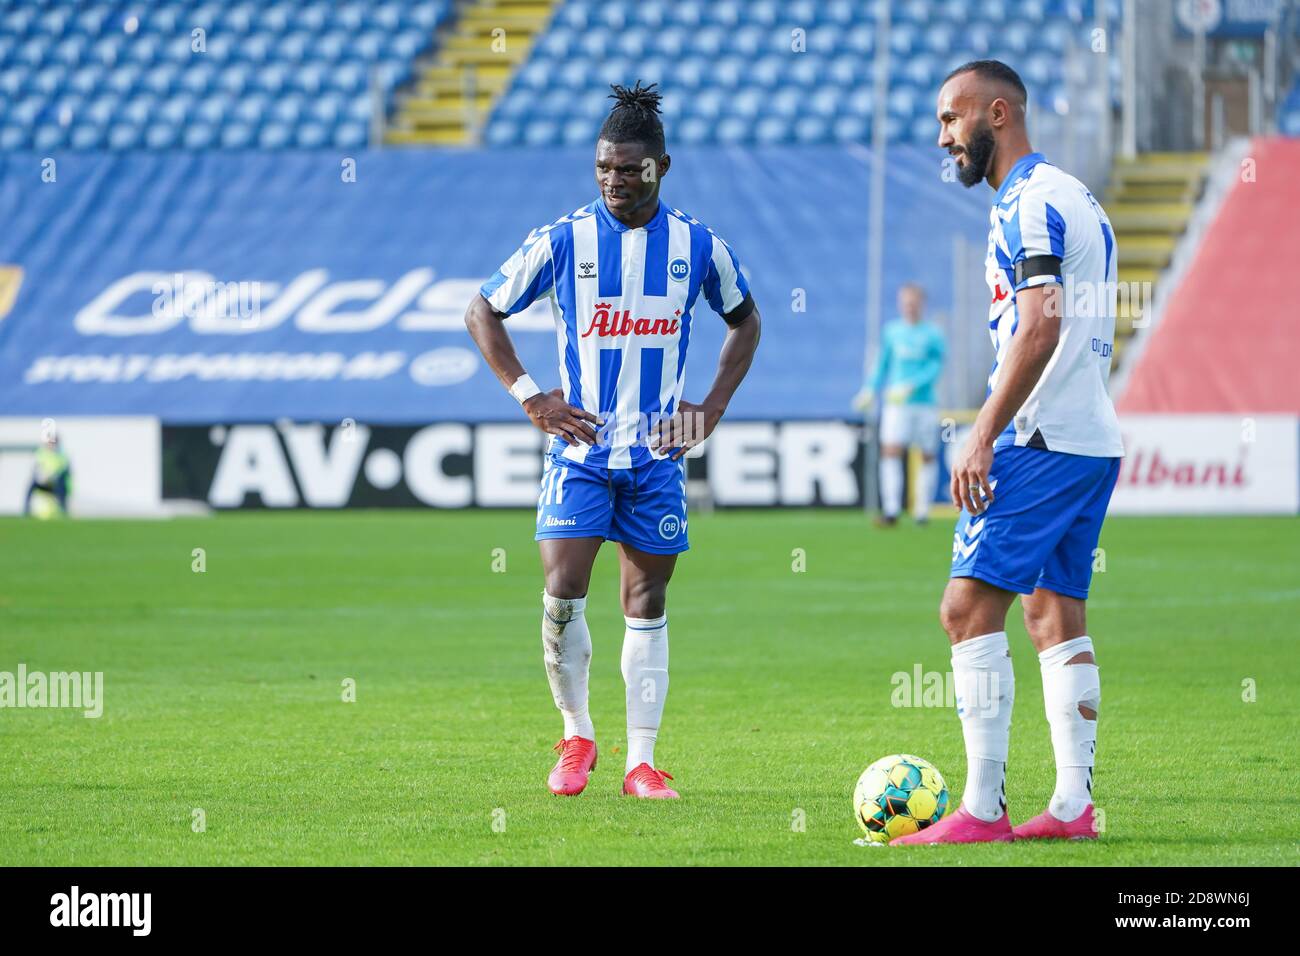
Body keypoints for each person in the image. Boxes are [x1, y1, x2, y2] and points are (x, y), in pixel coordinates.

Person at [463, 82, 761, 800]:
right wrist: (531, 395)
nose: (615, 181)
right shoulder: (565, 239)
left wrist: (712, 406)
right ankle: (577, 736)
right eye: (604, 168)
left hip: (656, 457)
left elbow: (745, 322)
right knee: (562, 593)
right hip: (581, 456)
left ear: (662, 166)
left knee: (646, 602)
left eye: (630, 170)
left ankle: (643, 762)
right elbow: (482, 309)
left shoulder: (698, 245)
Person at [893, 60, 1124, 845]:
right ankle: (1071, 808)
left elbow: (1041, 325)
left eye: (951, 119)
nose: (942, 137)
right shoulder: (1077, 197)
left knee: (965, 611)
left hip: (1039, 438)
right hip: (1089, 437)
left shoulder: (1027, 203)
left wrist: (984, 430)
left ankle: (982, 811)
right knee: (1054, 611)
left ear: (997, 113)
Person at [855, 283, 946, 526]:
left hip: (924, 403)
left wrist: (913, 385)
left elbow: (936, 366)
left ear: (921, 304)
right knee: (891, 450)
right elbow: (882, 364)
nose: (909, 307)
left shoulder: (933, 334)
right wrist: (870, 390)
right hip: (896, 404)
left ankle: (922, 511)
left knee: (927, 455)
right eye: (905, 302)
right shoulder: (892, 332)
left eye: (913, 302)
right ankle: (892, 510)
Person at [25, 433, 71, 518]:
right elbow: (36, 469)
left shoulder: (61, 455)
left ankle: (63, 510)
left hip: (56, 484)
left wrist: (53, 477)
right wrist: (41, 477)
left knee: (60, 484)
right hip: (43, 482)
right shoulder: (41, 453)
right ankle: (26, 511)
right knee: (32, 483)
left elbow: (65, 470)